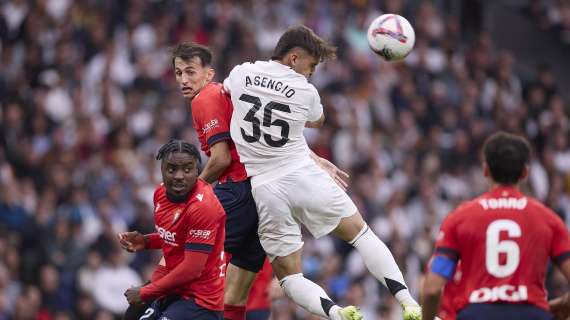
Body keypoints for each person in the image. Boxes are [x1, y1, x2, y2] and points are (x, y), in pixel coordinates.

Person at [223, 25, 422, 320]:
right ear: (293, 58)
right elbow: (316, 121)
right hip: (302, 176)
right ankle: (407, 301)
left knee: (289, 277)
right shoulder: (304, 91)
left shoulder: (241, 73)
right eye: (312, 65)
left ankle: (337, 313)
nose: (312, 72)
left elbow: (225, 92)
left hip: (265, 190)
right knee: (361, 234)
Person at [421, 132, 570, 320]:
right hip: (532, 313)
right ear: (525, 173)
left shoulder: (460, 218)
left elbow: (432, 289)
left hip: (477, 313)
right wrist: (564, 303)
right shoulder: (549, 220)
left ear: (486, 170)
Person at [170, 42, 269, 320]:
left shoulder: (206, 98)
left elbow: (221, 159)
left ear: (209, 74)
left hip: (237, 188)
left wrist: (193, 193)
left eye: (190, 72)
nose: (183, 80)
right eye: (178, 73)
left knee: (185, 263)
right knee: (235, 295)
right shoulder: (222, 95)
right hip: (262, 194)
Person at [118, 140, 226, 319]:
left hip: (200, 298)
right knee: (131, 316)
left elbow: (192, 269)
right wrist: (146, 241)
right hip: (172, 286)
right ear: (161, 170)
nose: (179, 176)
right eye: (171, 169)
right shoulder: (160, 194)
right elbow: (177, 238)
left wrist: (146, 291)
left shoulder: (204, 206)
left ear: (197, 171)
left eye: (187, 169)